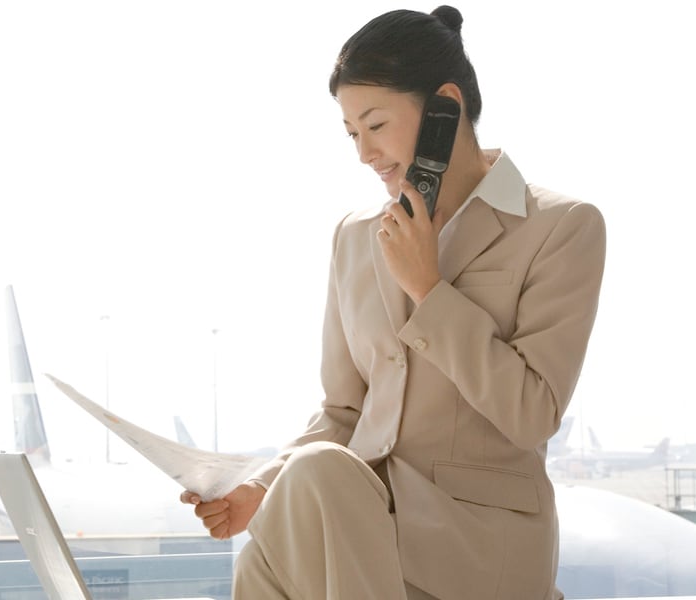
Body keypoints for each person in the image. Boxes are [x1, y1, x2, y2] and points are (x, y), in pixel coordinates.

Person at [180, 6, 606, 600]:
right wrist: (263, 488)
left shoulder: (561, 227)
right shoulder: (356, 237)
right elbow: (343, 415)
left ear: (444, 107)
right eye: (352, 133)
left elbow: (532, 412)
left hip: (479, 539)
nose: (364, 153)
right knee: (266, 550)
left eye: (376, 125)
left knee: (319, 477)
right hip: (367, 524)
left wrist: (429, 290)